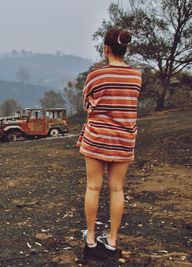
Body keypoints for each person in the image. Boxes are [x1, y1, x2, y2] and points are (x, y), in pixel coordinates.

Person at [77, 28, 142, 251]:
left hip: (97, 138)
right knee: (117, 189)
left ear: (106, 49)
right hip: (124, 139)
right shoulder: (136, 76)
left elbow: (86, 103)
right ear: (124, 49)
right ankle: (112, 239)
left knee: (93, 187)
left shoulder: (96, 75)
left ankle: (91, 238)